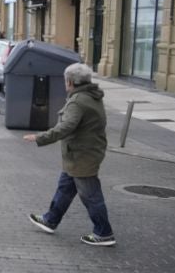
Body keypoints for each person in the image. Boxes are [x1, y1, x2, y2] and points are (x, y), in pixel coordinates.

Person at [23, 62, 115, 246]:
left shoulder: (78, 100)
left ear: (71, 82)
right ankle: (50, 219)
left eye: (66, 80)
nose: (65, 83)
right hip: (80, 154)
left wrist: (41, 137)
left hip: (82, 156)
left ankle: (104, 233)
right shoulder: (90, 96)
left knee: (91, 195)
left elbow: (66, 126)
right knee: (65, 188)